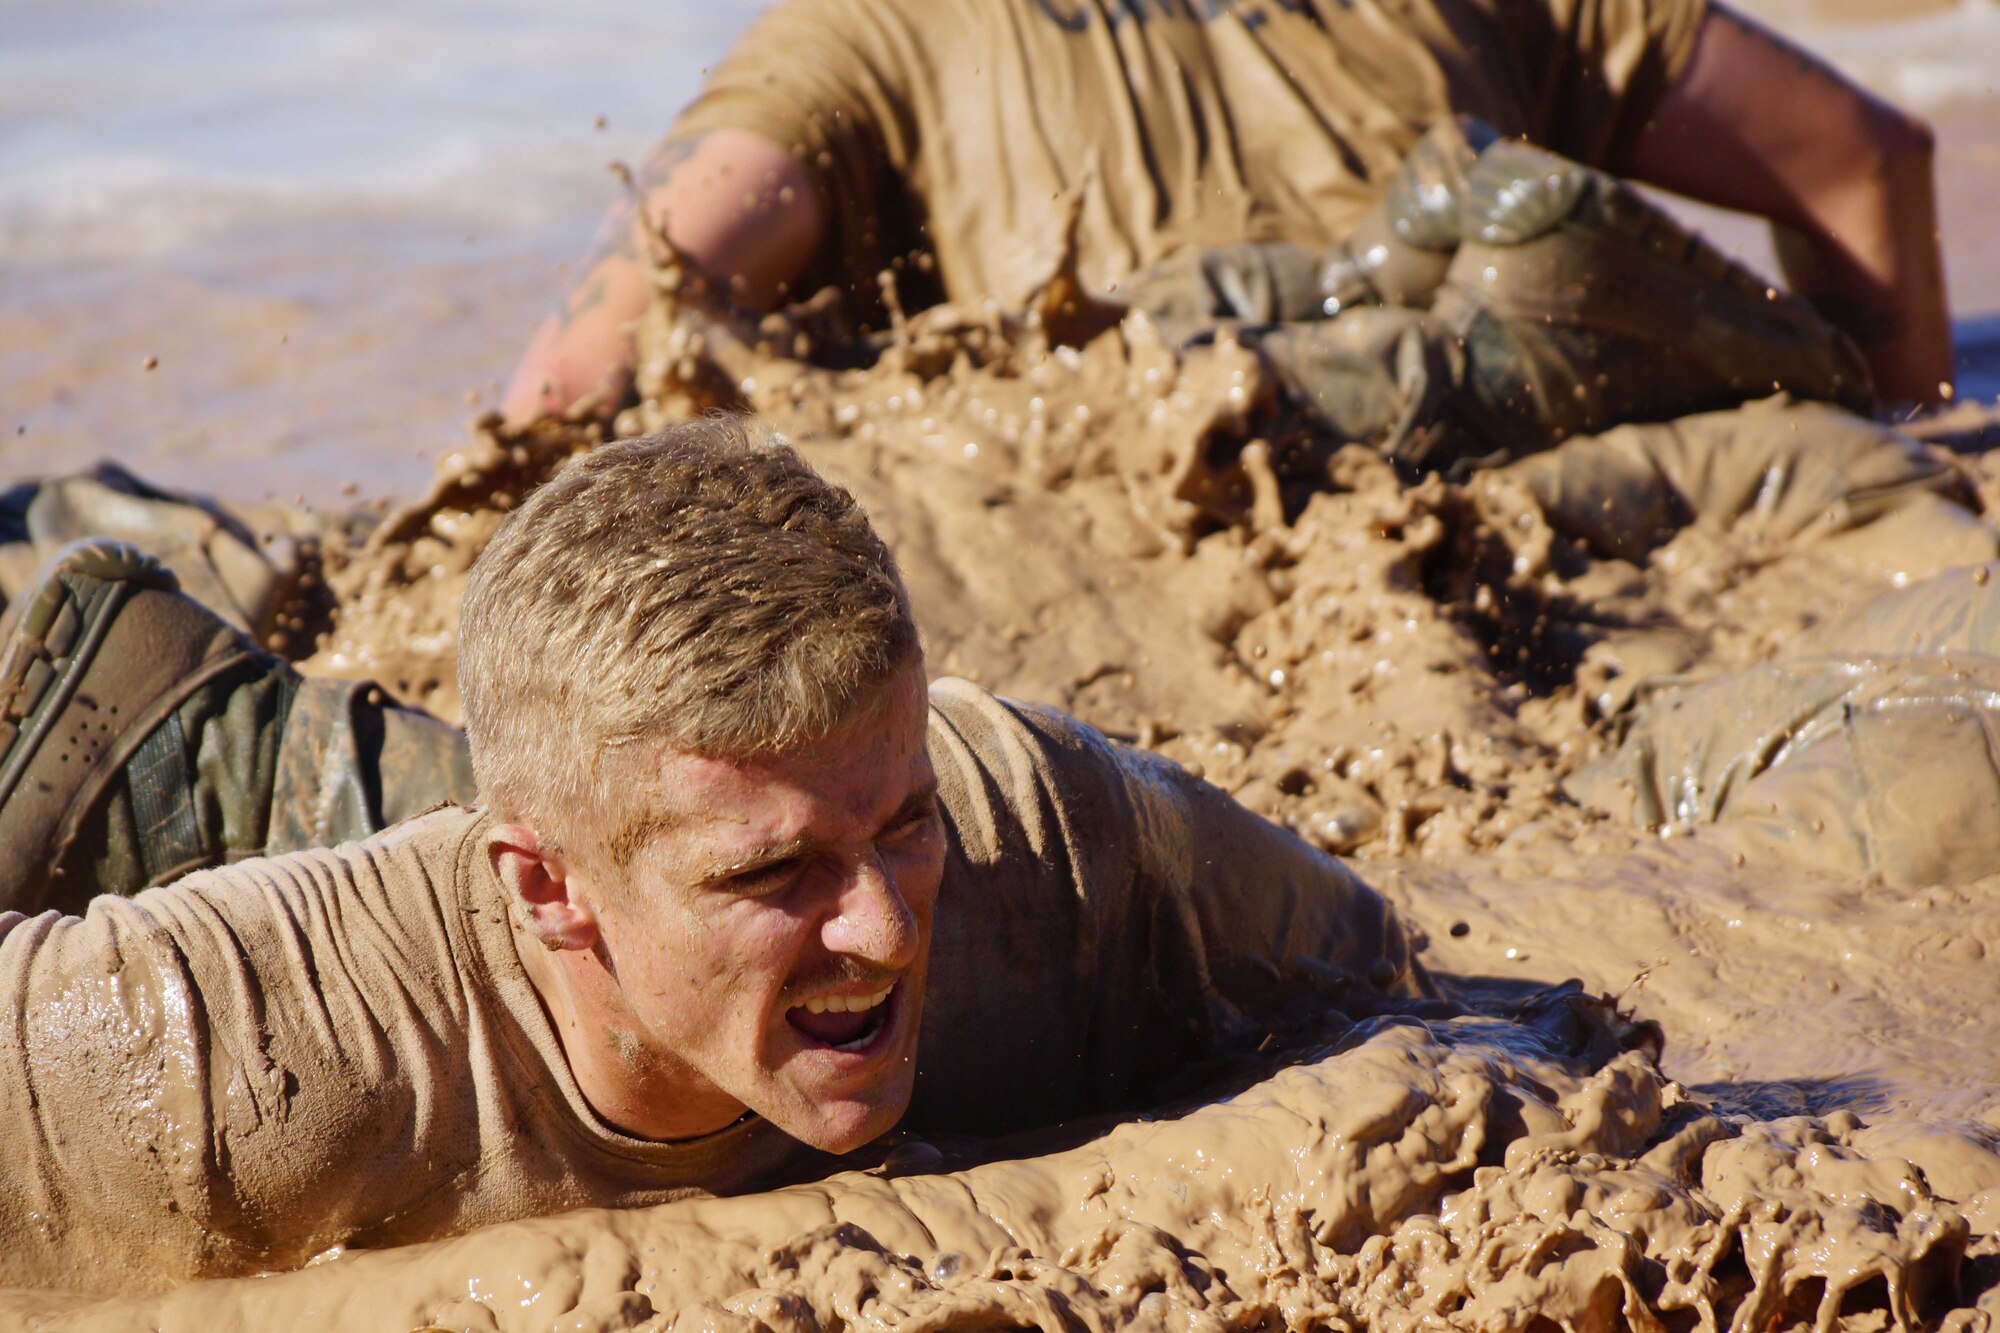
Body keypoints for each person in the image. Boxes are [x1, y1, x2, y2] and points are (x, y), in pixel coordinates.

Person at [0, 418, 1427, 1293]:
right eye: (774, 873)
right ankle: (168, 730)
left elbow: (1429, 994)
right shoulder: (213, 1058)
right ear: (542, 887)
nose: (885, 928)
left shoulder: (1055, 845)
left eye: (902, 821)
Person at [500, 0, 1951, 445]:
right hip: (1577, 468)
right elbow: (1865, 159)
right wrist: (1907, 444)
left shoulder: (868, 39)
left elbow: (583, 374)